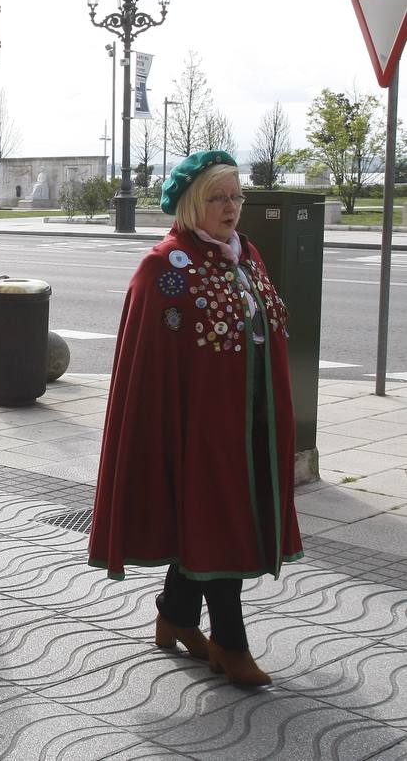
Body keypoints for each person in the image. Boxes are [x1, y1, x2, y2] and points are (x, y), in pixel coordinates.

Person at [89, 150, 303, 687]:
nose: (231, 207)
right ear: (190, 203)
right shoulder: (164, 265)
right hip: (194, 429)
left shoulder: (244, 254)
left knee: (209, 524)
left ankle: (175, 614)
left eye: (236, 196)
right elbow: (149, 364)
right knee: (216, 522)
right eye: (217, 197)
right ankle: (230, 642)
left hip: (246, 421)